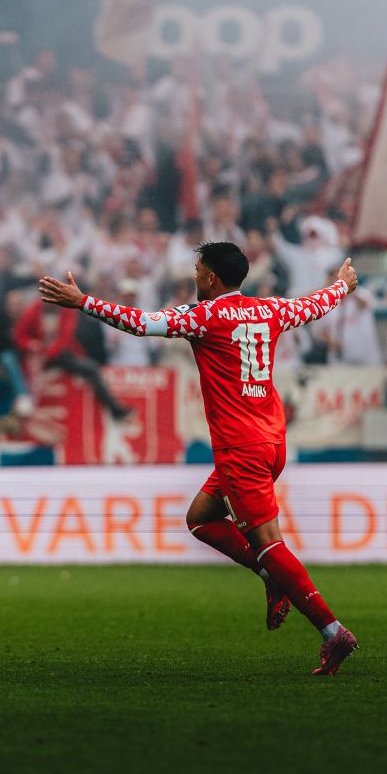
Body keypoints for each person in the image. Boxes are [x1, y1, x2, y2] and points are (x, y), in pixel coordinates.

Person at [38, 241, 359, 676]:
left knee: (269, 545)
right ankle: (271, 579)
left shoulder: (203, 317)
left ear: (210, 278)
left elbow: (139, 323)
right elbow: (316, 304)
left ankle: (332, 631)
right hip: (272, 439)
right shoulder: (270, 310)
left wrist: (83, 302)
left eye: (197, 270)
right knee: (201, 518)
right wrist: (342, 286)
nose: (194, 276)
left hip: (241, 449)